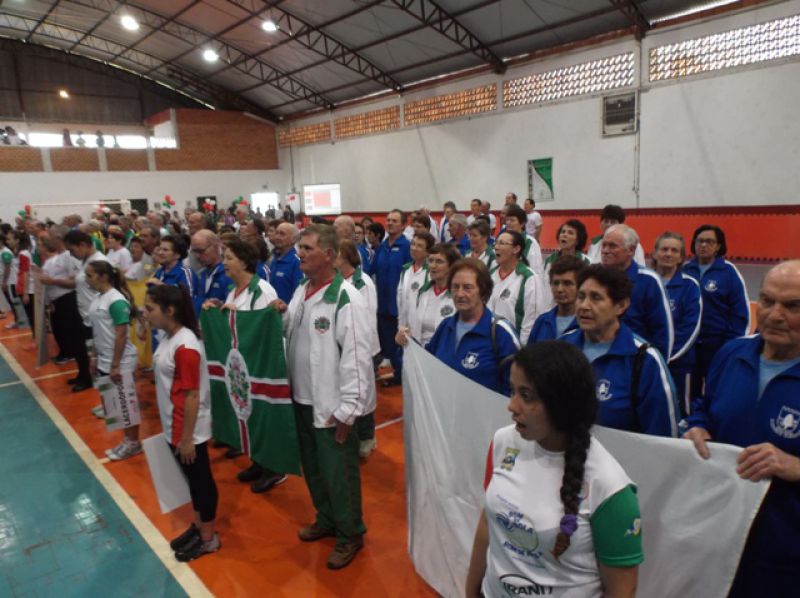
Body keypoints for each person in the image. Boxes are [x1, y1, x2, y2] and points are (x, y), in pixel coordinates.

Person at [466, 341, 642, 598]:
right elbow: (487, 522)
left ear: (562, 404)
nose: (512, 406)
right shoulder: (503, 442)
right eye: (512, 391)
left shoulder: (610, 487)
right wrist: (471, 592)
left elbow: (622, 590)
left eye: (526, 396)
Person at [683, 260, 800, 597]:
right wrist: (697, 427)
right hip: (722, 534)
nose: (775, 315)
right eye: (767, 301)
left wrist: (794, 466)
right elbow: (705, 408)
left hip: (786, 549)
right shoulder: (731, 354)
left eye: (792, 306)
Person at [272, 224, 374, 570]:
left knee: (339, 474)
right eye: (299, 247)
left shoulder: (346, 298)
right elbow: (290, 330)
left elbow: (358, 358)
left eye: (307, 248)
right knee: (314, 469)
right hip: (302, 399)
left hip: (331, 407)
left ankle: (350, 533)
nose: (299, 253)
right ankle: (327, 518)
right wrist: (279, 313)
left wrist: (349, 409)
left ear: (329, 255)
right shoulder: (302, 289)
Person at [146, 284, 220, 562]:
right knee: (192, 481)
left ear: (170, 310)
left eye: (150, 309)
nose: (146, 314)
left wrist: (187, 438)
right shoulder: (169, 337)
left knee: (201, 481)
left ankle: (209, 538)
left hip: (188, 429)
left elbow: (192, 395)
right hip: (173, 426)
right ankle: (199, 525)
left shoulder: (186, 345)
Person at [562, 265, 678, 436]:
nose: (584, 306)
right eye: (581, 297)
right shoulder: (561, 347)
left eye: (596, 298)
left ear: (621, 305)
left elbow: (662, 437)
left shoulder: (644, 360)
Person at [426, 258, 520, 396]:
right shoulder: (445, 326)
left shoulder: (501, 332)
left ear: (483, 291)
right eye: (455, 287)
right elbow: (426, 364)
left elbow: (516, 389)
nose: (460, 294)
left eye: (467, 287)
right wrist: (407, 343)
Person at [682, 224, 750, 398]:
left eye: (709, 242)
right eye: (699, 241)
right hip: (689, 344)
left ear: (718, 246)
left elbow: (740, 313)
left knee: (718, 389)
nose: (703, 245)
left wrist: (732, 346)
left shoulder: (729, 272)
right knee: (689, 390)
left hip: (718, 344)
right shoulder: (685, 270)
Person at [85, 260, 142, 460]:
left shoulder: (116, 301)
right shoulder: (97, 299)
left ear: (103, 277)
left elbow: (121, 335)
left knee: (126, 404)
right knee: (114, 405)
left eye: (90, 275)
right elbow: (96, 331)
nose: (86, 280)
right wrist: (94, 355)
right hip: (104, 358)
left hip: (120, 360)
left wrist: (116, 365)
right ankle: (126, 440)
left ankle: (134, 442)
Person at [601, 224, 674, 361]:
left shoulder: (649, 281)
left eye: (612, 246)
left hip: (636, 361)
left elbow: (663, 331)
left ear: (631, 250)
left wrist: (657, 365)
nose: (605, 250)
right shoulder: (594, 278)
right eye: (604, 245)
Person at [336, 240, 380, 459]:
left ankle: (367, 436)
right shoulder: (336, 281)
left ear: (345, 257)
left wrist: (365, 349)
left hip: (364, 345)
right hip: (345, 344)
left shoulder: (363, 282)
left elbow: (368, 318)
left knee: (364, 392)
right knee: (349, 391)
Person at [652, 232, 702, 416]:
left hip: (678, 363)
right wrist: (647, 356)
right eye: (664, 249)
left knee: (680, 409)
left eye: (674, 251)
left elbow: (690, 328)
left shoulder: (690, 286)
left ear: (681, 257)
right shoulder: (646, 282)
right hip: (648, 361)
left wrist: (665, 357)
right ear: (655, 253)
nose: (668, 254)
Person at [63, 230, 109, 393]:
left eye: (72, 250)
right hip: (84, 313)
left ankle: (91, 380)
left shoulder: (99, 262)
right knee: (83, 350)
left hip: (95, 315)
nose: (71, 254)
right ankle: (84, 375)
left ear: (82, 245)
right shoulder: (86, 261)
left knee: (94, 353)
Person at [374, 210, 411, 387]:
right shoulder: (382, 247)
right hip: (383, 304)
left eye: (394, 221)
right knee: (388, 342)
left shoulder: (407, 247)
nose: (390, 223)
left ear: (403, 225)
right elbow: (372, 269)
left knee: (400, 343)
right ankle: (396, 373)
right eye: (388, 220)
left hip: (399, 306)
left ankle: (404, 375)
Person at [397, 243, 459, 348]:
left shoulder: (458, 295)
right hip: (421, 352)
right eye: (430, 260)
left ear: (452, 266)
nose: (433, 266)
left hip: (446, 353)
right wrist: (403, 337)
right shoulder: (423, 291)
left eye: (439, 261)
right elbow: (415, 328)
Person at [489, 231, 544, 345]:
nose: (496, 247)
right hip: (489, 343)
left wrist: (522, 349)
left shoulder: (529, 278)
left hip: (514, 346)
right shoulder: (490, 275)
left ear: (516, 249)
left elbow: (531, 320)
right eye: (496, 243)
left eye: (502, 243)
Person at [38, 234, 79, 364]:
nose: (38, 248)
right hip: (55, 299)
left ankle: (70, 353)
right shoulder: (50, 261)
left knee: (66, 328)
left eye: (40, 245)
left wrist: (52, 281)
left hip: (65, 297)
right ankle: (64, 352)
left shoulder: (65, 257)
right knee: (58, 328)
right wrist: (48, 302)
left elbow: (73, 280)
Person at [528, 255, 586, 344]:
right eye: (555, 283)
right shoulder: (542, 321)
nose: (560, 289)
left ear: (580, 286)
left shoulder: (587, 324)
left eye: (567, 283)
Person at [396, 232, 433, 337]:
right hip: (405, 329)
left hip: (422, 334)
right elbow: (400, 301)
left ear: (428, 251)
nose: (414, 248)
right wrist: (400, 326)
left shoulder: (430, 273)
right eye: (413, 244)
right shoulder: (406, 270)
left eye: (419, 246)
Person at [190, 230, 232, 315]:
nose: (197, 256)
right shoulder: (200, 274)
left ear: (216, 246)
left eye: (201, 251)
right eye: (194, 251)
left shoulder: (229, 274)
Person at [503, 205, 544, 280]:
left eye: (512, 220)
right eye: (507, 220)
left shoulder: (530, 242)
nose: (508, 223)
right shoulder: (502, 240)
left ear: (522, 223)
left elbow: (537, 270)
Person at [152, 235, 197, 299]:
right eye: (160, 249)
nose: (160, 252)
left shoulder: (185, 273)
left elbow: (188, 299)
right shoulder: (159, 272)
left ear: (177, 255)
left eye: (165, 250)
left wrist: (162, 286)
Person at [269, 222, 303, 303]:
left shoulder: (297, 262)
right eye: (277, 233)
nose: (277, 237)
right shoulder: (274, 259)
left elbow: (299, 293)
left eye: (282, 234)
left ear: (293, 239)